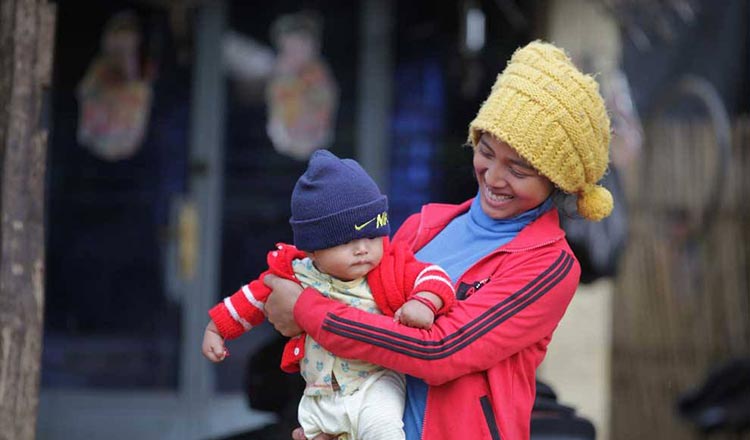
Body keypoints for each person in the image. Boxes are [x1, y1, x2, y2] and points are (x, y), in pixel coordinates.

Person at [263, 40, 614, 440]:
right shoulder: (424, 226)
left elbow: (439, 352)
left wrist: (307, 310)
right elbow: (367, 328)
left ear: (557, 179)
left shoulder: (548, 266)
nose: (494, 177)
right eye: (486, 151)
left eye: (518, 169)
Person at [202, 150, 456, 440]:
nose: (363, 249)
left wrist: (424, 302)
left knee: (383, 429)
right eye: (347, 241)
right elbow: (251, 298)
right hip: (319, 390)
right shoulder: (297, 273)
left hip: (375, 382)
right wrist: (216, 328)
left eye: (373, 236)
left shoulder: (391, 266)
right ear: (313, 249)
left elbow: (434, 277)